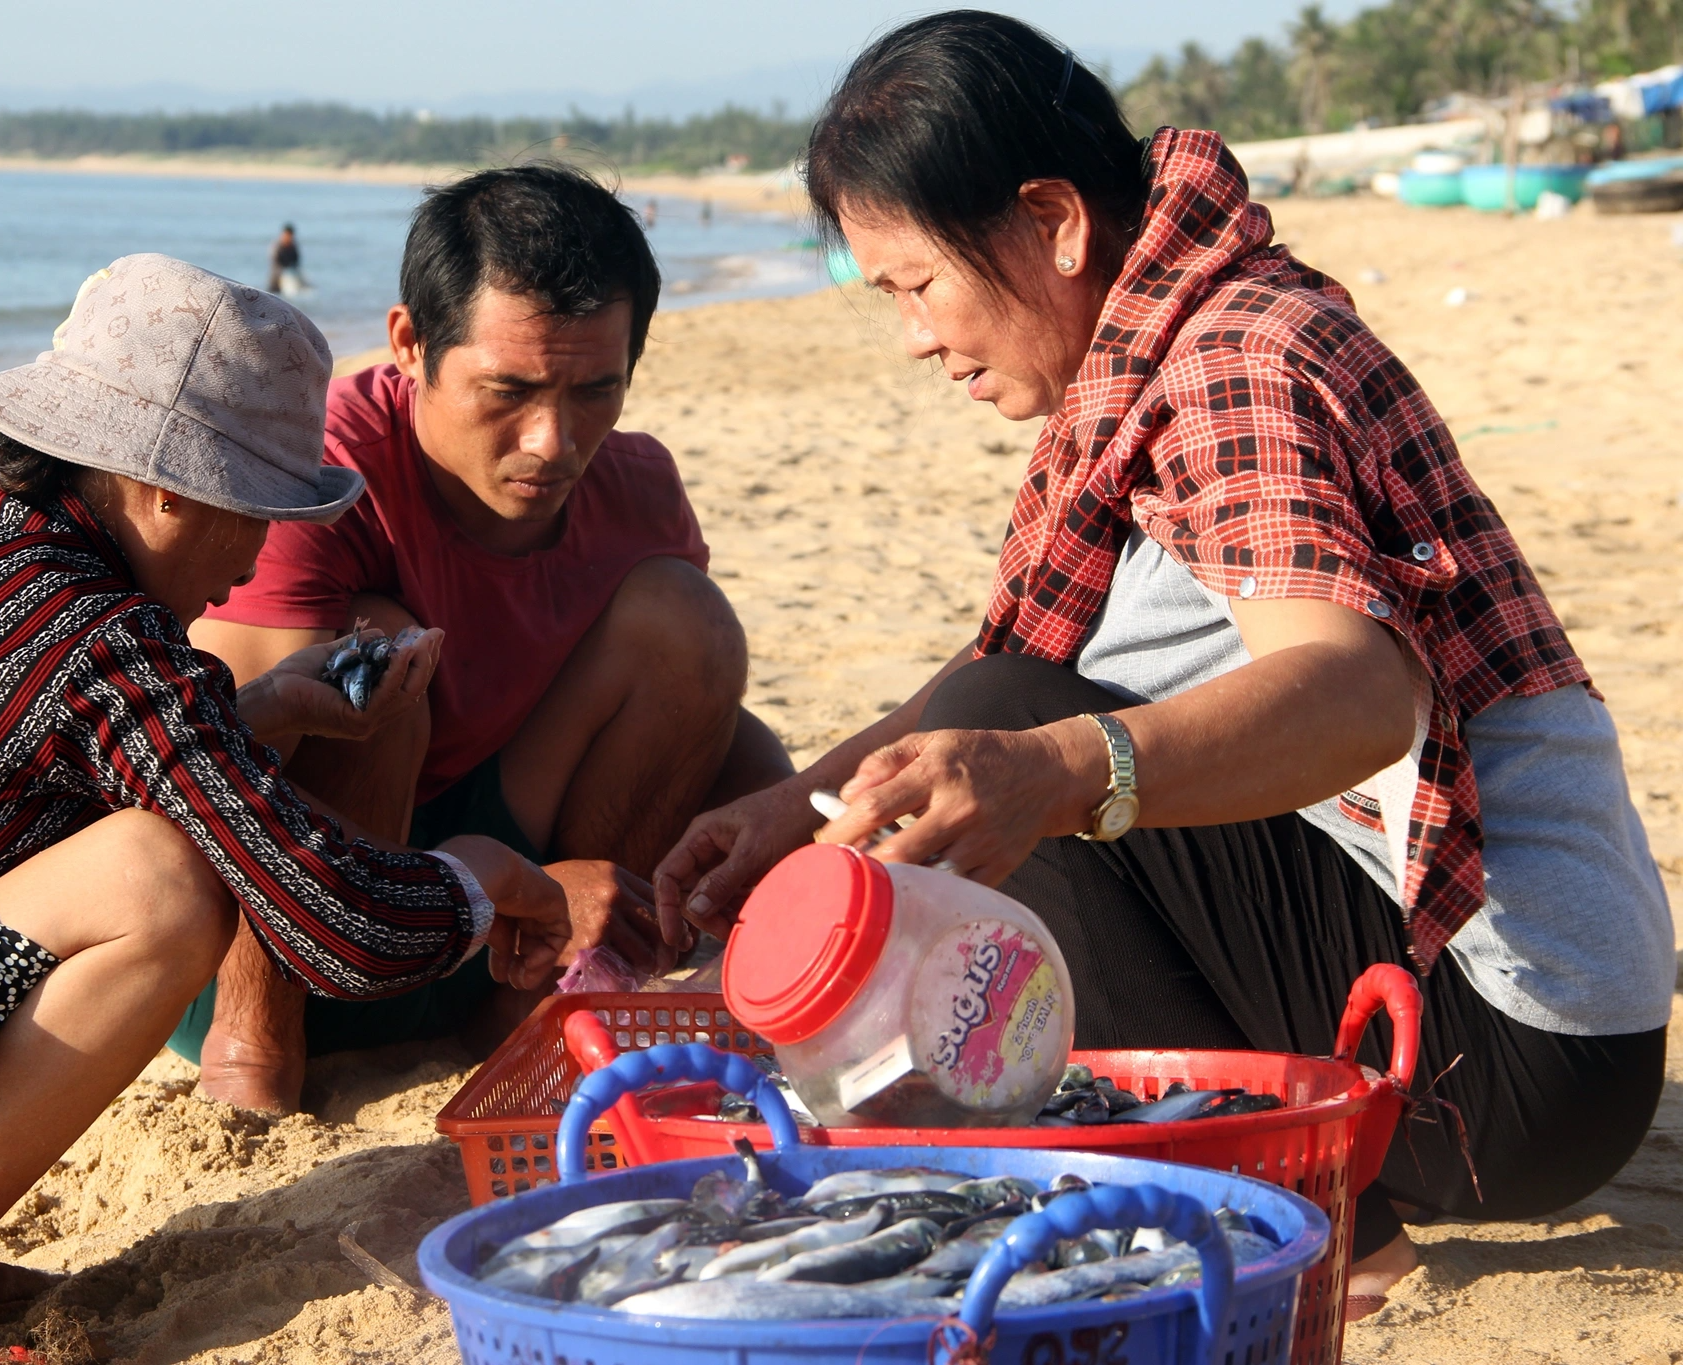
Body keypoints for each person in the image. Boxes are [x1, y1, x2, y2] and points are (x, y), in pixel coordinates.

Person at [655, 11, 1672, 1320]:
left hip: (1515, 1049)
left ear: (1055, 225)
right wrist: (781, 811)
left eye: (914, 284)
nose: (911, 335)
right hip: (1528, 1042)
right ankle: (1282, 1180)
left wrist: (1061, 770)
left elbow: (1359, 688)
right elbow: (1008, 672)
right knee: (1005, 730)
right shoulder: (1153, 362)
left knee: (1021, 749)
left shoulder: (1230, 362)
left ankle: (1317, 1223)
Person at [0, 254, 582, 1363]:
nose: (252, 563)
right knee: (158, 884)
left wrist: (265, 705)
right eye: (253, 516)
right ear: (164, 487)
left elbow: (13, 748)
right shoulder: (106, 647)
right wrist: (487, 876)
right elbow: (342, 929)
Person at [185, 163, 791, 1113]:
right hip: (268, 934)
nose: (553, 440)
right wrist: (511, 880)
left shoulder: (637, 492)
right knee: (374, 655)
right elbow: (223, 775)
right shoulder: (320, 473)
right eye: (508, 389)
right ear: (408, 345)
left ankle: (539, 1011)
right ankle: (254, 1061)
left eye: (596, 388)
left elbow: (705, 730)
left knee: (701, 644)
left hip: (485, 920)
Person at [268, 222, 305, 295]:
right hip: (276, 279)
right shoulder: (276, 247)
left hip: (289, 277)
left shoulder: (293, 247)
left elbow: (296, 263)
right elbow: (275, 264)